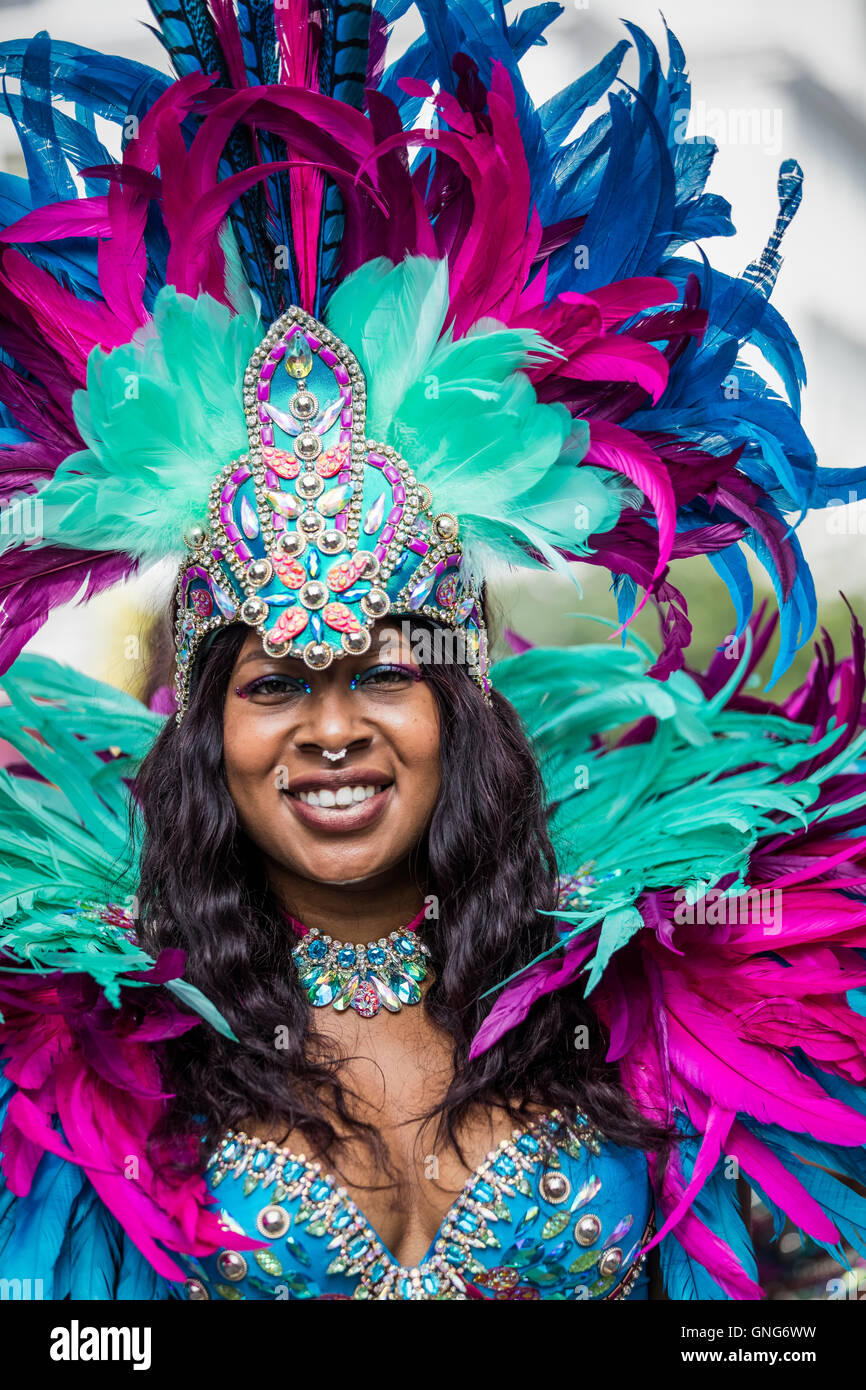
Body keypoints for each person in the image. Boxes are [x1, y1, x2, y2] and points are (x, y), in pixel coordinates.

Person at [1, 0, 866, 1303]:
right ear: (203, 731)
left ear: (464, 701)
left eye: (384, 670)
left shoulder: (647, 956)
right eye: (275, 681)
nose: (331, 725)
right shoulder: (93, 1027)